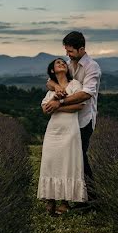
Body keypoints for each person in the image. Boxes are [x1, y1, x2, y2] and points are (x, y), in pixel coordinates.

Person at [44, 31, 101, 205]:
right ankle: (72, 196)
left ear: (81, 49)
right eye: (66, 51)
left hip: (84, 119)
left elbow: (86, 94)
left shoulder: (92, 67)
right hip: (67, 121)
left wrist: (58, 102)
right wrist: (55, 87)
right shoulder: (69, 64)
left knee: (80, 157)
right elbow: (50, 80)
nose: (67, 55)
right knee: (67, 158)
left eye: (70, 51)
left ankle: (91, 199)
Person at [37, 57, 87, 215]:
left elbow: (79, 105)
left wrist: (57, 106)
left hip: (70, 128)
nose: (62, 64)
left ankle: (65, 202)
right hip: (53, 130)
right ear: (52, 70)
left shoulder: (75, 85)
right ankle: (50, 199)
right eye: (58, 63)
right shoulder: (52, 90)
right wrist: (53, 103)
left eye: (63, 62)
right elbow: (45, 109)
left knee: (67, 163)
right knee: (50, 162)